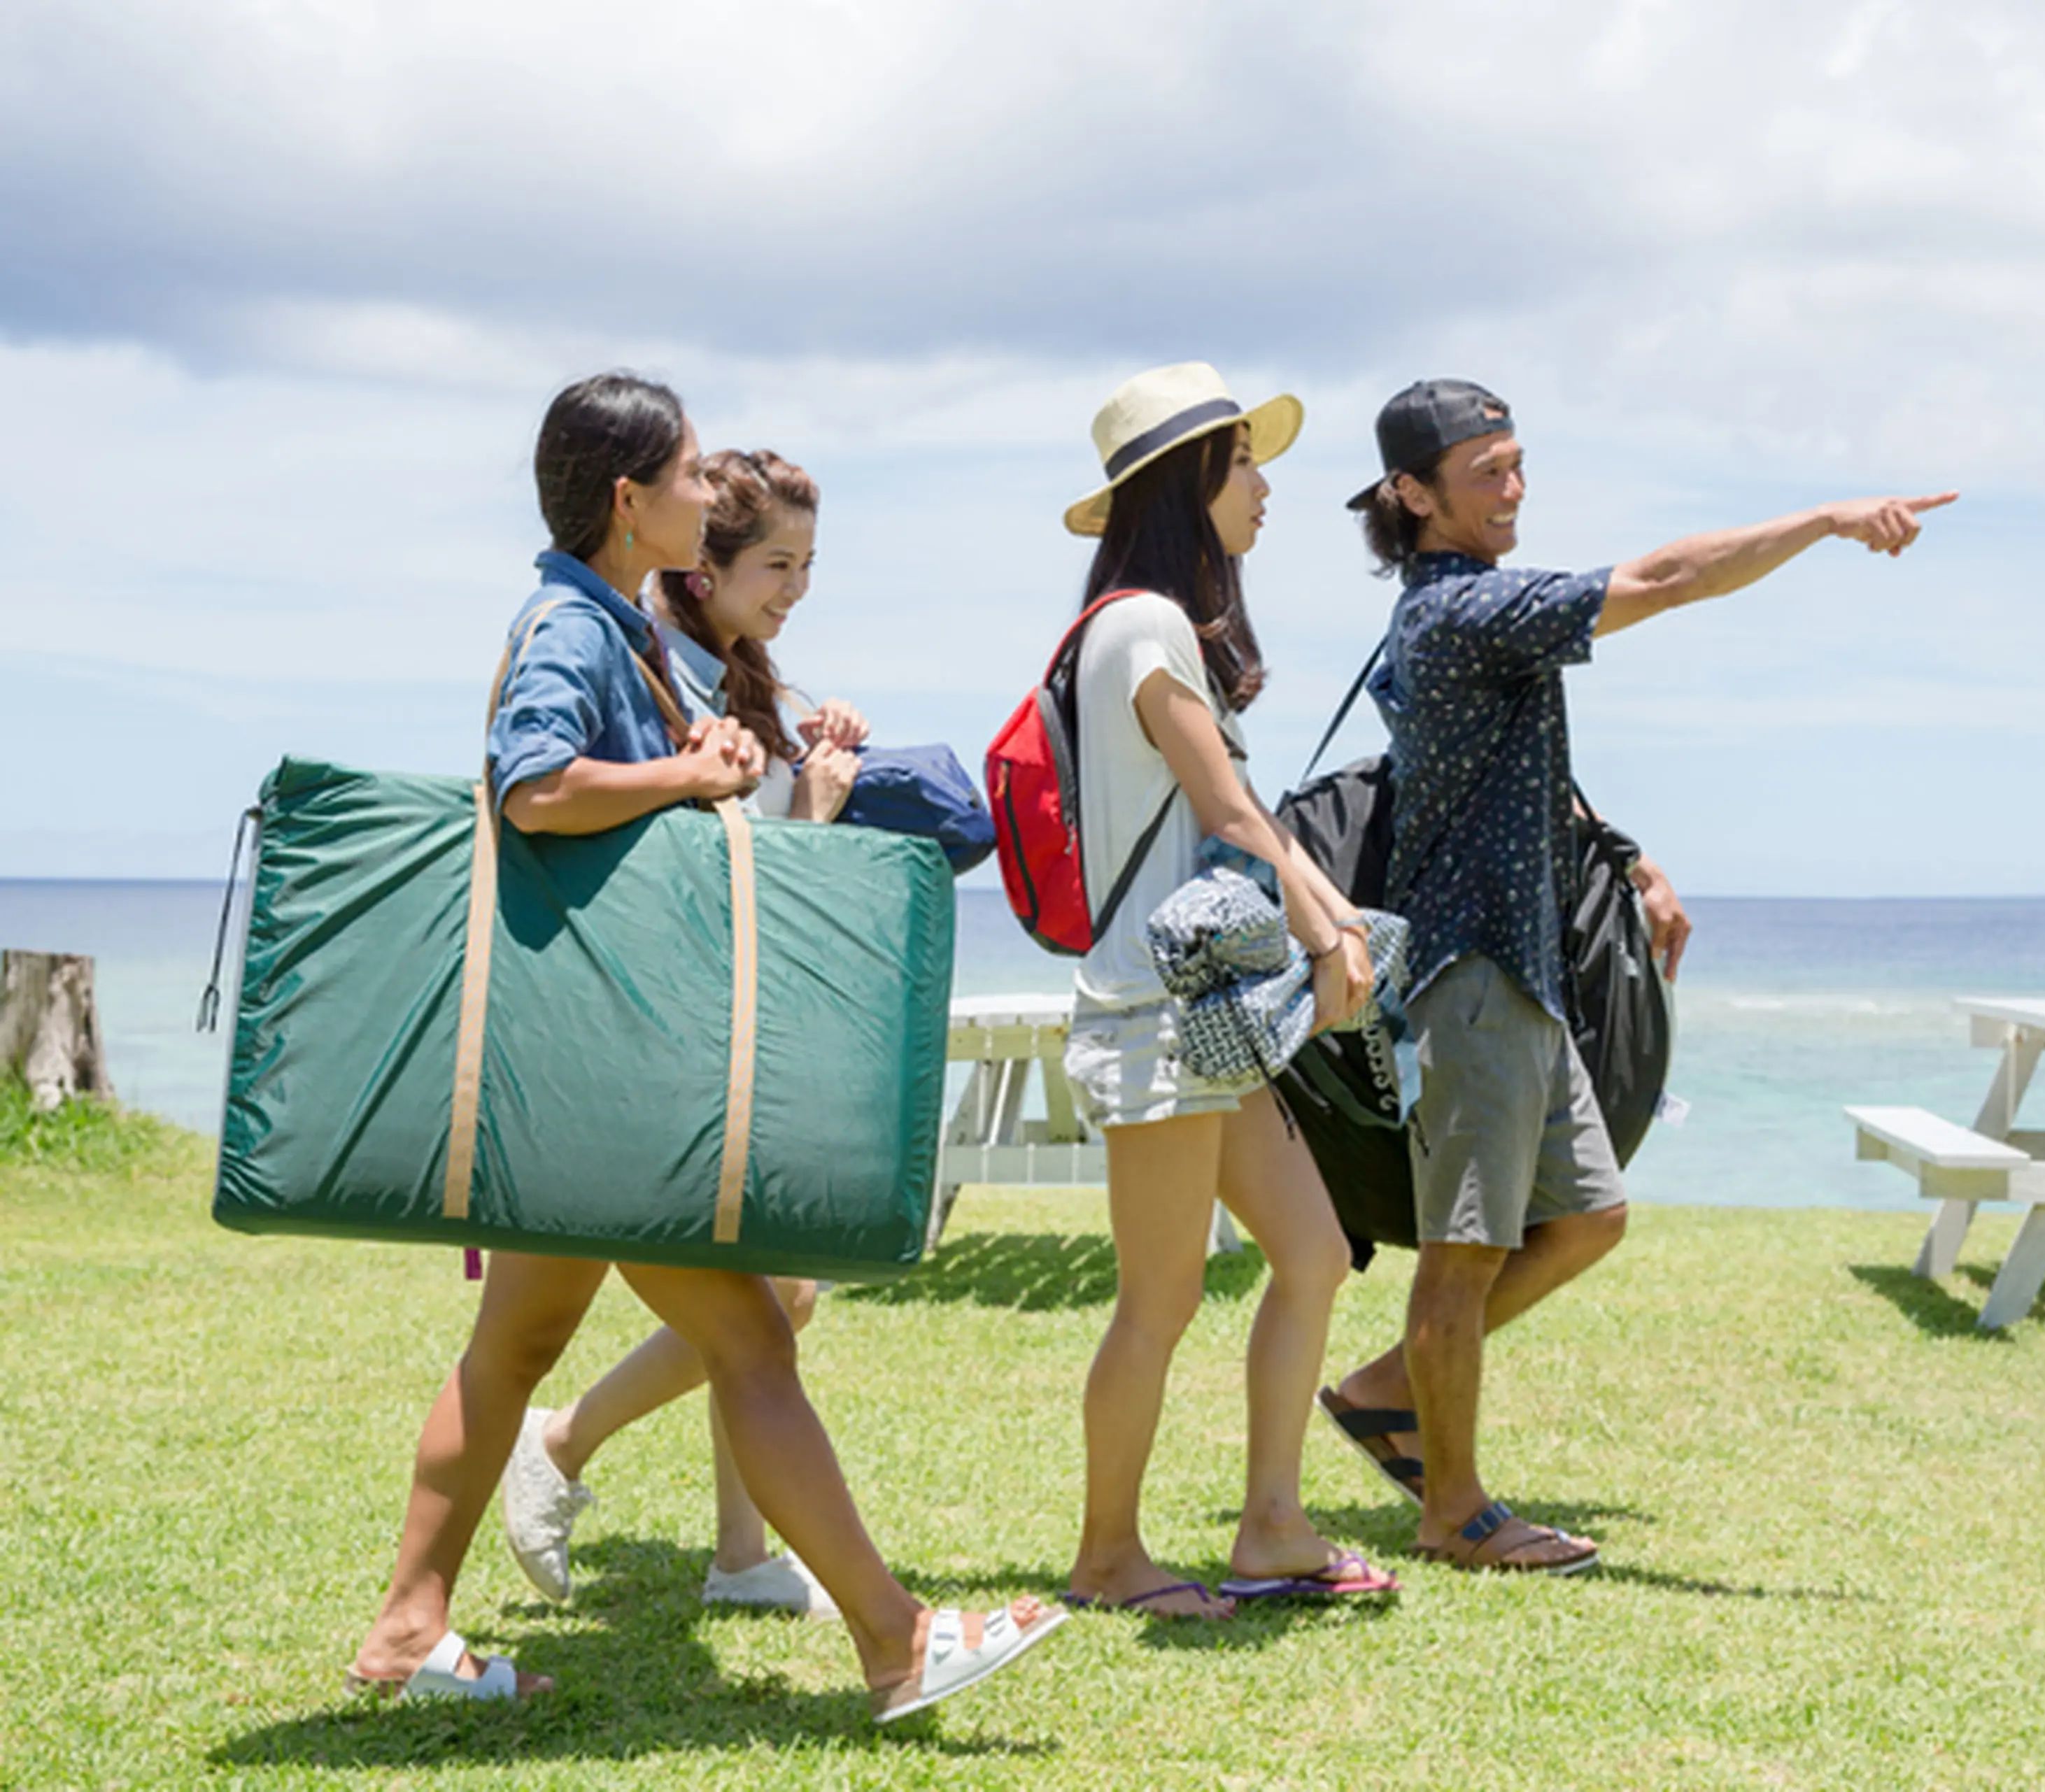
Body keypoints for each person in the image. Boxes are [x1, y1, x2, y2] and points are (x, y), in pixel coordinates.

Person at [345, 372, 1058, 1716]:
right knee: (752, 1340)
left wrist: (718, 749)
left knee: (513, 1356)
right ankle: (899, 1642)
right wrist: (694, 771)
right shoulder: (569, 621)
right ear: (630, 503)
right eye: (685, 477)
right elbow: (534, 785)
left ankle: (406, 1629)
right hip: (606, 1079)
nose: (703, 491)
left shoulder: (615, 627)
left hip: (572, 1069)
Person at [1318, 378, 1953, 1573]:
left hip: (1526, 969)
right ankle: (1452, 1511)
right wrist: (1823, 521)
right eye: (1487, 472)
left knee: (1590, 1216)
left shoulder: (1469, 616)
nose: (1515, 488)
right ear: (1413, 494)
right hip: (1474, 971)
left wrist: (1628, 857)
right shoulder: (1458, 612)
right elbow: (1664, 578)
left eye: (1518, 463)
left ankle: (1385, 1392)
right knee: (1465, 1251)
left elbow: (1523, 773)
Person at [499, 448, 870, 1621]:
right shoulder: (653, 673)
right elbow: (666, 854)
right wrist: (782, 800)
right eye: (776, 562)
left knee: (773, 1304)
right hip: (659, 1041)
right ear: (698, 567)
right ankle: (558, 1447)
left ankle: (736, 1548)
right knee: (761, 1310)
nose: (797, 586)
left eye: (809, 563)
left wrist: (816, 782)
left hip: (710, 1033)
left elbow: (750, 872)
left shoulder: (731, 679)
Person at [1056, 363, 1396, 1617]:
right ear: (1189, 478)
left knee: (1310, 1253)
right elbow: (1229, 807)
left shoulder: (1157, 626)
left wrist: (1333, 920)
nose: (1264, 490)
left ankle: (1272, 1525)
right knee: (1163, 1296)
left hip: (1204, 1010)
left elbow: (1240, 814)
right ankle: (1106, 1558)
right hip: (1159, 1008)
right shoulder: (1140, 624)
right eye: (1246, 463)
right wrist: (1325, 931)